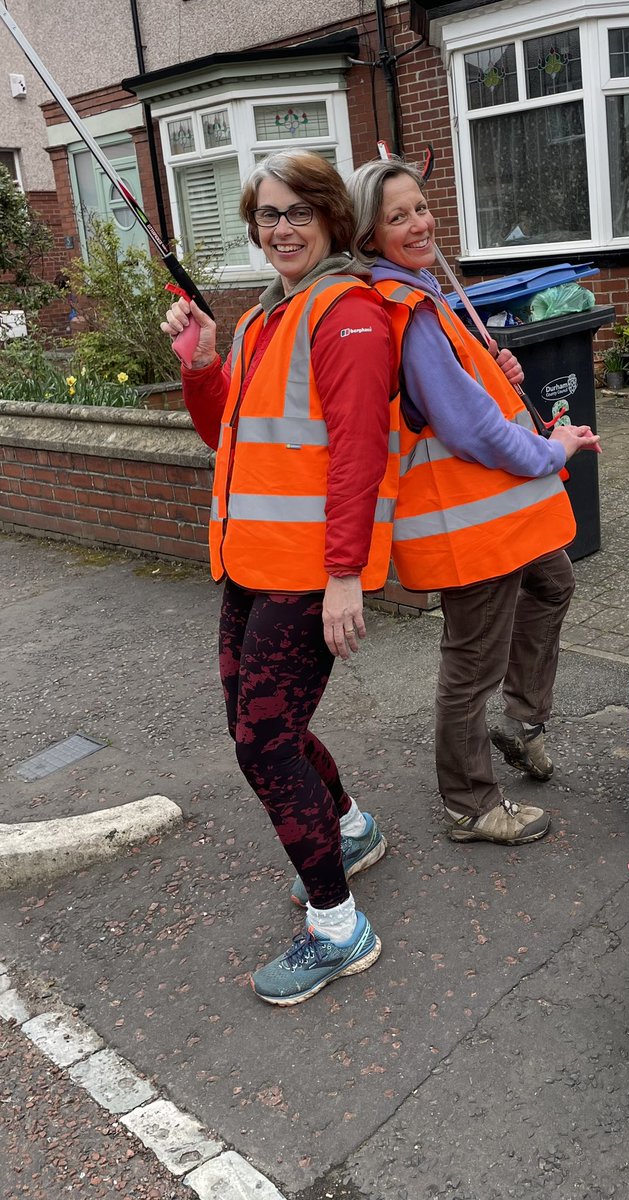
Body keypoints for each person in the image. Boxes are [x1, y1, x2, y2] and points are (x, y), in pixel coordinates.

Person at [160, 151, 399, 1006]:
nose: (281, 228)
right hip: (251, 564)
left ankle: (339, 928)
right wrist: (203, 361)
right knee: (261, 728)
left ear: (333, 218)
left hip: (305, 575)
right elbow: (224, 434)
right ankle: (350, 829)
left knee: (264, 742)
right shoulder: (272, 317)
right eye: (266, 215)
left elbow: (359, 456)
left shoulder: (347, 315)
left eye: (298, 211)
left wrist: (344, 576)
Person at [346, 157, 601, 848]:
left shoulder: (423, 294)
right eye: (396, 217)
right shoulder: (406, 310)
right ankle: (468, 801)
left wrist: (495, 368)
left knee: (552, 582)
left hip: (500, 514)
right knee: (470, 664)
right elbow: (470, 429)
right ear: (369, 237)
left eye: (420, 207)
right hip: (468, 523)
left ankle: (519, 722)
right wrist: (555, 452)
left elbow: (463, 396)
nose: (418, 223)